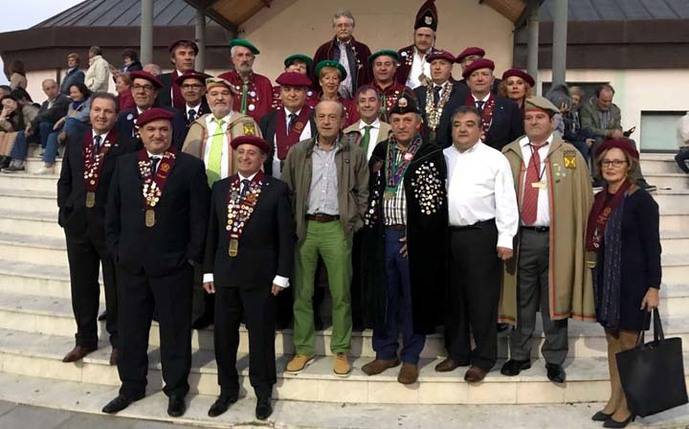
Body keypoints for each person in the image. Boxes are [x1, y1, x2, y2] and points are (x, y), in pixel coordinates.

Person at [102, 108, 210, 417]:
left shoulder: (189, 167)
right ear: (141, 132)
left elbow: (198, 218)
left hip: (172, 265)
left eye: (163, 130)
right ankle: (131, 386)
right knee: (131, 329)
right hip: (131, 264)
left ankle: (175, 389)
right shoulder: (124, 165)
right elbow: (113, 213)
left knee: (175, 331)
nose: (157, 135)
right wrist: (117, 250)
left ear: (172, 133)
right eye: (151, 130)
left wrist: (190, 257)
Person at [499, 96, 595, 385]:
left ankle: (554, 358)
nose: (533, 122)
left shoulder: (570, 154)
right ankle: (519, 355)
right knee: (521, 299)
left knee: (556, 299)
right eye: (529, 118)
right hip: (521, 238)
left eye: (540, 118)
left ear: (552, 121)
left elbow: (583, 199)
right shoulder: (510, 153)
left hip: (557, 238)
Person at [202, 135, 294, 421]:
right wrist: (208, 270)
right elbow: (212, 234)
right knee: (224, 337)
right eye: (240, 152)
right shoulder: (220, 188)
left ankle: (263, 391)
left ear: (262, 158)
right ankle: (227, 388)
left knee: (261, 336)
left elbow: (285, 237)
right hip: (225, 273)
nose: (245, 157)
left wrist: (282, 275)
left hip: (260, 276)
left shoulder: (276, 190)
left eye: (251, 153)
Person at [359, 93, 447, 385]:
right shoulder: (382, 151)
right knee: (384, 296)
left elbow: (436, 203)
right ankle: (385, 353)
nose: (401, 125)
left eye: (407, 119)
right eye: (395, 120)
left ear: (418, 122)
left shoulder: (431, 152)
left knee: (412, 300)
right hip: (384, 235)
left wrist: (420, 237)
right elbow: (370, 189)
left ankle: (410, 358)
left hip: (412, 240)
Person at [282, 100, 369, 377]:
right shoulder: (298, 152)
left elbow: (363, 192)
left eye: (333, 116)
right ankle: (304, 348)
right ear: (315, 120)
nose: (327, 121)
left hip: (336, 228)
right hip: (305, 228)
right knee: (302, 292)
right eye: (322, 116)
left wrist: (354, 222)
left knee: (341, 292)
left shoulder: (353, 153)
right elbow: (288, 190)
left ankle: (341, 349)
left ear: (343, 120)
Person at [437, 105, 518, 382]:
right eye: (457, 124)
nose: (462, 129)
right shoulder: (441, 157)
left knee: (481, 299)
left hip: (481, 235)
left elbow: (506, 199)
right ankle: (457, 352)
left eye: (469, 124)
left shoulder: (494, 159)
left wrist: (506, 238)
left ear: (480, 128)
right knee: (452, 297)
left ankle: (483, 358)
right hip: (447, 235)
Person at [584, 139, 661, 428]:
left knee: (629, 344)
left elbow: (653, 247)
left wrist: (654, 286)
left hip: (633, 284)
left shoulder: (641, 200)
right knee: (612, 342)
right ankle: (615, 397)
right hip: (608, 282)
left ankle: (628, 404)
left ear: (629, 165)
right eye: (606, 162)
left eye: (617, 162)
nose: (611, 167)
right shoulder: (601, 198)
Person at [57, 92, 133, 367]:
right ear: (90, 112)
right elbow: (65, 179)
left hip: (109, 227)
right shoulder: (78, 140)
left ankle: (119, 341)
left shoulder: (126, 145)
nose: (101, 116)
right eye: (97, 110)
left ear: (116, 115)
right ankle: (85, 339)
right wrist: (64, 211)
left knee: (116, 287)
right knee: (82, 284)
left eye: (108, 111)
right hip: (78, 225)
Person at [182, 76, 261, 329]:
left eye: (224, 94)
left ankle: (241, 309)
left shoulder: (244, 123)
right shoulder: (198, 125)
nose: (219, 98)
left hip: (236, 195)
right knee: (206, 251)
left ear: (232, 97)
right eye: (214, 94)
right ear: (206, 98)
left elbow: (256, 159)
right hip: (202, 199)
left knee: (239, 249)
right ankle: (205, 309)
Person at [580, 84, 655, 191]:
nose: (607, 104)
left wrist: (619, 132)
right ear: (597, 98)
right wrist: (609, 133)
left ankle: (637, 179)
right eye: (604, 101)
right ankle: (599, 178)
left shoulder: (615, 110)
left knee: (630, 143)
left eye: (609, 101)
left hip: (611, 139)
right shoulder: (587, 109)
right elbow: (587, 129)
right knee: (598, 142)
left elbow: (617, 126)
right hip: (595, 138)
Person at [450, 58, 523, 151]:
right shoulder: (455, 105)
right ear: (468, 81)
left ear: (492, 80)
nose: (480, 79)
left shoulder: (509, 107)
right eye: (474, 75)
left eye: (485, 74)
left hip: (498, 161)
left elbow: (516, 140)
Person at [3, 79, 70, 172]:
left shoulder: (63, 99)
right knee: (21, 134)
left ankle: (45, 149)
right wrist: (31, 128)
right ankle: (17, 162)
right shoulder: (45, 103)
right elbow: (40, 116)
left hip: (57, 130)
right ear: (44, 90)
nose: (51, 91)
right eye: (47, 89)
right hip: (42, 132)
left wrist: (31, 124)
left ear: (58, 87)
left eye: (53, 87)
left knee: (44, 124)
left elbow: (49, 114)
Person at [259, 71, 315, 179]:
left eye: (297, 90)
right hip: (274, 183)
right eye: (287, 90)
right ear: (280, 93)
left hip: (307, 183)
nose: (292, 94)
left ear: (306, 92)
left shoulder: (316, 119)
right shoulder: (267, 120)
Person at [115, 71, 186, 150]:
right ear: (132, 91)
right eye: (137, 87)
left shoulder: (172, 116)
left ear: (155, 93)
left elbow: (177, 146)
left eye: (147, 87)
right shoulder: (123, 117)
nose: (141, 92)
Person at [313, 9, 372, 98]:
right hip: (330, 100)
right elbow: (314, 77)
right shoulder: (324, 49)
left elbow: (370, 76)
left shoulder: (363, 50)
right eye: (339, 25)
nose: (343, 28)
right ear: (334, 28)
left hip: (357, 100)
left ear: (352, 27)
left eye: (347, 25)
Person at [415, 49, 468, 148]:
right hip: (423, 149)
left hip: (453, 148)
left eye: (442, 64)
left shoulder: (462, 91)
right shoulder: (418, 92)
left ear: (451, 68)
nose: (437, 67)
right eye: (434, 64)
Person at [37, 82, 92, 174]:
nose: (72, 95)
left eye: (75, 92)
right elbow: (71, 118)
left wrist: (64, 118)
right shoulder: (71, 105)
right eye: (71, 93)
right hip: (71, 129)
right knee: (53, 136)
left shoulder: (90, 101)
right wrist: (66, 123)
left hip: (85, 129)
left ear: (82, 92)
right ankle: (48, 165)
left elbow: (83, 116)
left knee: (71, 121)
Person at [218, 39, 272, 122]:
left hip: (258, 132)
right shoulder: (223, 80)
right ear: (232, 59)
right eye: (240, 55)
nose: (244, 59)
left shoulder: (264, 82)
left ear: (253, 59)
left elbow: (268, 113)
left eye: (248, 55)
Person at [396, 0, 439, 89]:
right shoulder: (402, 54)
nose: (423, 39)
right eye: (420, 35)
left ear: (433, 38)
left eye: (427, 36)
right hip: (407, 100)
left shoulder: (439, 56)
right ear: (414, 36)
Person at [343, 85, 392, 161]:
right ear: (357, 107)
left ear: (379, 104)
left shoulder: (390, 132)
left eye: (372, 100)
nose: (367, 105)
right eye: (362, 101)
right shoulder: (346, 134)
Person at [314, 60, 358, 127]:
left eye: (335, 78)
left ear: (339, 83)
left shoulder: (349, 106)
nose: (331, 82)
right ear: (320, 82)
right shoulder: (311, 104)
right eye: (327, 78)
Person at [0, 93, 38, 168]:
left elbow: (37, 118)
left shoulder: (27, 108)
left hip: (36, 133)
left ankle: (19, 160)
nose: (7, 106)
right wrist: (2, 117)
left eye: (8, 102)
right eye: (4, 105)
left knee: (19, 134)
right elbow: (11, 130)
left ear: (15, 101)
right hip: (23, 135)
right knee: (5, 134)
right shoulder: (14, 116)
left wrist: (30, 125)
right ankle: (5, 158)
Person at [158, 40, 199, 109]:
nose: (188, 58)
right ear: (173, 59)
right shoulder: (160, 81)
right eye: (182, 54)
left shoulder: (205, 80)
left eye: (191, 54)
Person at [370, 50, 408, 121]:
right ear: (373, 68)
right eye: (378, 64)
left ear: (394, 68)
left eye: (387, 64)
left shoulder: (406, 92)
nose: (383, 68)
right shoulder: (364, 92)